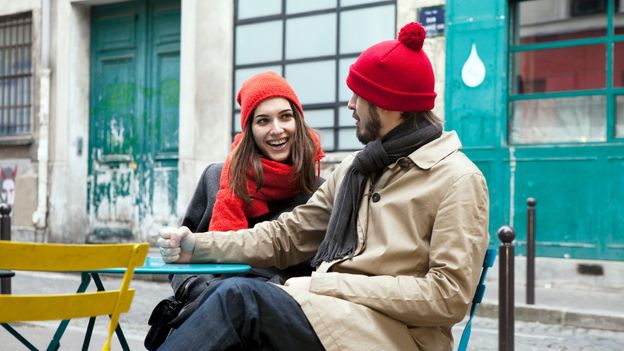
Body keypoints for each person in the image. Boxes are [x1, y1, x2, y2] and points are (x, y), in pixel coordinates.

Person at [158, 22, 490, 351]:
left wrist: (325, 285)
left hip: (398, 337)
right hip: (335, 318)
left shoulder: (458, 179)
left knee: (240, 301)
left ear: (389, 104)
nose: (350, 105)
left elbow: (447, 296)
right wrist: (197, 246)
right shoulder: (357, 169)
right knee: (228, 298)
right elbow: (286, 236)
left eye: (359, 95)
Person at [145, 72, 325, 350]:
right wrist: (201, 290)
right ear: (249, 128)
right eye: (263, 120)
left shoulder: (320, 193)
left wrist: (266, 290)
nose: (277, 129)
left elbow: (322, 271)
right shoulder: (216, 179)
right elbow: (180, 260)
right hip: (206, 313)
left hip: (272, 322)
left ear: (298, 121)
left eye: (285, 117)